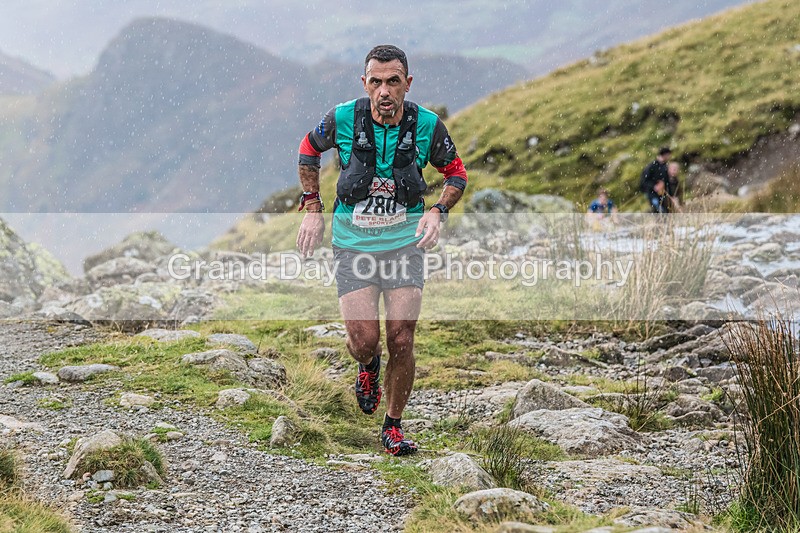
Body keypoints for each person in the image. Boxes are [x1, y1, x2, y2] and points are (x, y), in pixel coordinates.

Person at [295, 45, 468, 456]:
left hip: (405, 245)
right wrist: (313, 208)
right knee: (363, 340)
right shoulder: (343, 117)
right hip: (353, 244)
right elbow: (308, 148)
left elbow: (456, 173)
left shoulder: (427, 125)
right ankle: (368, 366)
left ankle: (393, 425)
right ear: (364, 83)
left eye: (393, 81)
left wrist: (437, 211)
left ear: (408, 83)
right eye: (376, 82)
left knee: (402, 338)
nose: (384, 91)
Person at [640, 146, 672, 213]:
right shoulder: (651, 166)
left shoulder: (665, 166)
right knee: (658, 209)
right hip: (652, 193)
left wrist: (671, 194)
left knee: (665, 210)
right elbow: (644, 181)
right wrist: (654, 186)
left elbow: (667, 181)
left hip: (662, 193)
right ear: (665, 154)